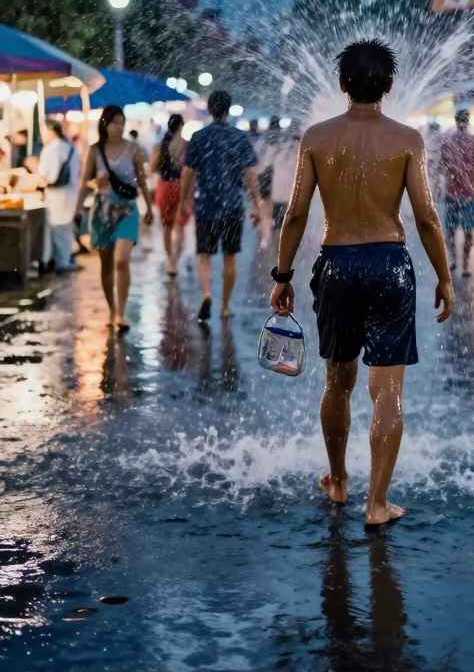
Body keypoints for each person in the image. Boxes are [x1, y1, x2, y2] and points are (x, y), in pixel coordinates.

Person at [269, 38, 454, 527]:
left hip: (335, 264)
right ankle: (377, 503)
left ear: (342, 84)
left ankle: (337, 480)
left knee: (337, 380)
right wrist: (445, 278)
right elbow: (428, 219)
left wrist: (282, 275)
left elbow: (296, 215)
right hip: (390, 263)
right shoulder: (408, 139)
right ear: (390, 86)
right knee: (387, 391)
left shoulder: (317, 137)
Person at [177, 89, 262, 323]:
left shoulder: (199, 137)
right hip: (233, 206)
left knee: (204, 254)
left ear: (210, 109)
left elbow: (187, 172)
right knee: (230, 256)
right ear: (228, 109)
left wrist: (184, 201)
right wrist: (256, 204)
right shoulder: (240, 137)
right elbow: (250, 173)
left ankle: (206, 293)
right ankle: (225, 305)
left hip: (206, 204)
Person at [74, 105, 154, 329]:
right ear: (104, 124)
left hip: (127, 209)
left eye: (121, 122)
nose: (118, 127)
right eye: (114, 122)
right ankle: (111, 308)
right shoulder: (95, 150)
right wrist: (78, 209)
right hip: (103, 209)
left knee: (121, 260)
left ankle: (120, 312)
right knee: (106, 264)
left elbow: (142, 182)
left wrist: (149, 207)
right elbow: (83, 183)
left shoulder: (133, 149)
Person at [438, 108, 474, 275]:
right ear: (468, 121)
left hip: (451, 192)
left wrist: (438, 188)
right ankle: (465, 266)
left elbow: (441, 168)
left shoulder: (447, 141)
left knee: (450, 231)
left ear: (455, 120)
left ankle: (452, 260)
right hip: (470, 193)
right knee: (468, 231)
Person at [38, 120, 81, 272]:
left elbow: (47, 176)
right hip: (70, 193)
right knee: (66, 228)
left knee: (57, 228)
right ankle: (66, 257)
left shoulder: (50, 150)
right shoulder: (70, 148)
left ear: (50, 131)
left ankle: (61, 261)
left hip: (55, 196)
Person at [152, 113, 190, 275]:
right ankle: (175, 258)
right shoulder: (186, 145)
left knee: (167, 225)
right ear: (181, 126)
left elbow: (153, 167)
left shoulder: (159, 145)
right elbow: (190, 170)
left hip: (164, 186)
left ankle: (170, 261)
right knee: (180, 225)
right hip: (181, 186)